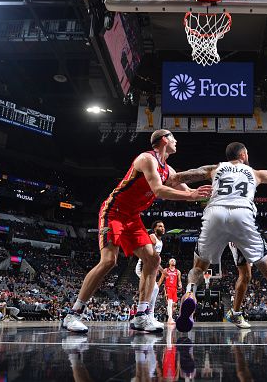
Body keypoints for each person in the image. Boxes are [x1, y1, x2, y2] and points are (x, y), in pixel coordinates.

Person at [62, 129, 212, 333]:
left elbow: (187, 189)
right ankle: (73, 314)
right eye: (173, 138)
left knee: (153, 259)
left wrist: (211, 198)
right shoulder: (146, 159)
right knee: (109, 261)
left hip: (132, 217)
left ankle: (142, 315)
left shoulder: (168, 170)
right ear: (164, 140)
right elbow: (160, 191)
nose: (176, 141)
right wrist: (192, 195)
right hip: (114, 211)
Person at [172, 142, 267, 335]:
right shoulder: (256, 173)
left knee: (199, 266)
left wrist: (164, 175)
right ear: (244, 155)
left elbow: (184, 175)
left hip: (215, 212)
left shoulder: (215, 168)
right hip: (243, 214)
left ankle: (190, 292)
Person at [134, 220, 165, 322]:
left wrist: (160, 270)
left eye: (163, 226)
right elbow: (147, 255)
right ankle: (147, 313)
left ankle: (149, 314)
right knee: (154, 288)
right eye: (160, 226)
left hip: (151, 266)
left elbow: (155, 259)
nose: (162, 228)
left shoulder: (161, 242)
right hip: (143, 265)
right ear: (155, 229)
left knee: (155, 289)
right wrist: (159, 269)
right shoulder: (152, 237)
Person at [225, 242, 252, 329]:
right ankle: (235, 313)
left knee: (247, 276)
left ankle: (235, 313)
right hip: (239, 236)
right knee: (245, 275)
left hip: (250, 235)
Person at [157, 258, 182, 323]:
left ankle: (170, 316)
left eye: (174, 260)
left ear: (175, 263)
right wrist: (157, 287)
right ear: (169, 262)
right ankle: (170, 318)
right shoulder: (166, 270)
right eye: (171, 260)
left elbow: (179, 281)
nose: (173, 261)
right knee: (170, 303)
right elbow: (161, 279)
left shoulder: (178, 271)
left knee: (174, 305)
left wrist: (180, 285)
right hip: (168, 288)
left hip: (174, 289)